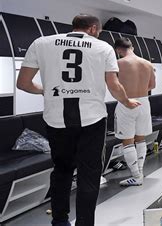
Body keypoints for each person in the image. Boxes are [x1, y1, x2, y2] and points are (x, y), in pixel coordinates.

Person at [16, 15, 140, 226]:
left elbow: (24, 83)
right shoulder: (103, 48)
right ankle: (84, 223)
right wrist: (127, 101)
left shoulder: (42, 43)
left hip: (56, 119)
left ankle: (60, 221)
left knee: (61, 171)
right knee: (89, 174)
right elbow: (113, 85)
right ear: (93, 28)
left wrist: (46, 91)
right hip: (92, 119)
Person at [114, 38, 155, 186]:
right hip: (144, 102)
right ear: (133, 47)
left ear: (118, 50)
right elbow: (152, 85)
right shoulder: (147, 63)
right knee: (140, 139)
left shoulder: (119, 63)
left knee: (128, 141)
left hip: (127, 102)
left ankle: (136, 176)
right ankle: (140, 172)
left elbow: (113, 85)